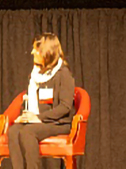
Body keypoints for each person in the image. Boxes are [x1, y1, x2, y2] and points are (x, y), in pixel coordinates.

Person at [6, 33, 75, 169]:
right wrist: (26, 116)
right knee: (13, 131)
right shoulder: (36, 74)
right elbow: (35, 102)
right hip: (39, 121)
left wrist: (38, 118)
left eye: (36, 49)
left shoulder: (63, 74)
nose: (32, 52)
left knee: (28, 132)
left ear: (46, 52)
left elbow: (65, 107)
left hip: (59, 123)